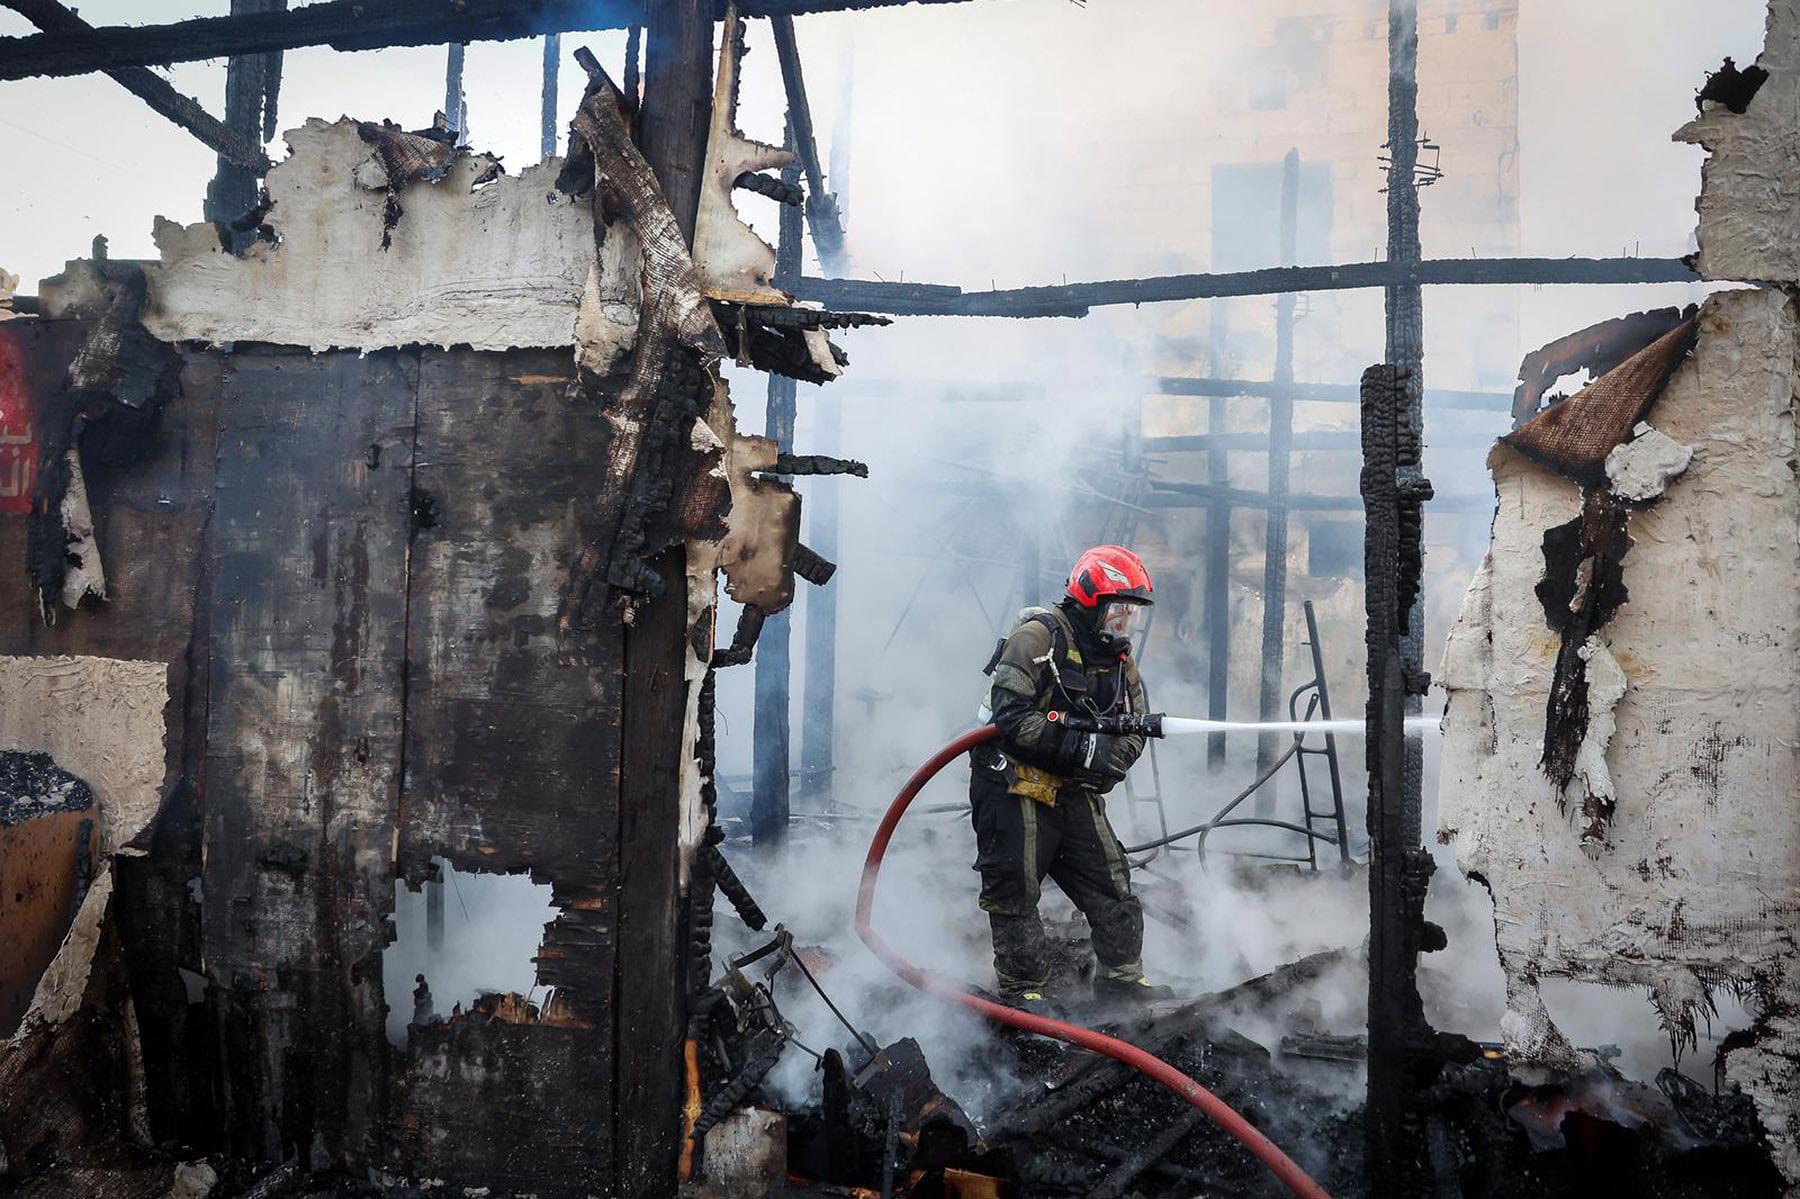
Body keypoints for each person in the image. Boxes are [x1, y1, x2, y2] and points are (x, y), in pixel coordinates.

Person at [971, 545, 1172, 1008]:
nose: (1126, 625)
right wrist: (1084, 751)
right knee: (1014, 892)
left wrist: (1115, 759)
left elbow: (1136, 722)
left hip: (1070, 789)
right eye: (1119, 611)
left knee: (1112, 883)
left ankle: (1121, 981)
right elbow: (1010, 718)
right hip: (1012, 786)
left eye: (1132, 614)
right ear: (1090, 600)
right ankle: (1024, 995)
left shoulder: (1120, 663)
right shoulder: (1038, 639)